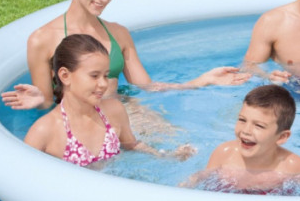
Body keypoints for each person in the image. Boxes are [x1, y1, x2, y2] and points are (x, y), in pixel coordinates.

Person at [3, 0, 247, 110]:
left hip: (125, 111)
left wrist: (203, 80)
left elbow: (147, 88)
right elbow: (48, 103)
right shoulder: (42, 40)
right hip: (83, 123)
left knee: (180, 151)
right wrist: (39, 101)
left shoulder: (118, 34)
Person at [24, 35, 194, 165]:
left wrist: (167, 156)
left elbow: (131, 144)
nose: (103, 84)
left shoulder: (113, 110)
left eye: (106, 75)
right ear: (65, 76)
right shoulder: (45, 130)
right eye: (94, 76)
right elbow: (23, 176)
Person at [187, 85, 300, 193]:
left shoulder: (295, 168)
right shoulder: (224, 154)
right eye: (242, 120)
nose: (246, 131)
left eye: (259, 126)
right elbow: (199, 182)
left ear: (282, 137)